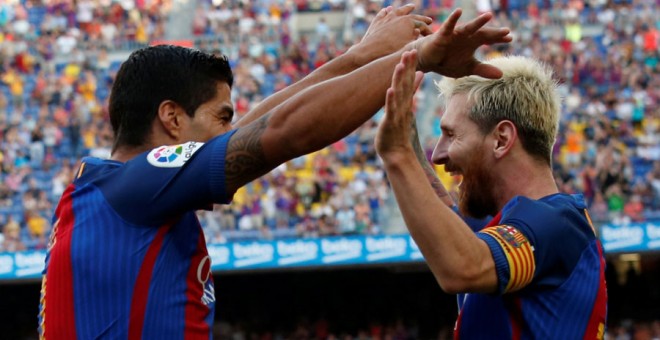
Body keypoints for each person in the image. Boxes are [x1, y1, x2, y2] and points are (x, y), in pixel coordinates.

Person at [38, 5, 512, 339]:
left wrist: (358, 59)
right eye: (221, 117)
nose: (231, 129)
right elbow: (280, 132)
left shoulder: (119, 190)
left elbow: (257, 127)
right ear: (172, 119)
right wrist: (419, 59)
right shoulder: (139, 184)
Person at [375, 55, 607, 338]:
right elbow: (447, 223)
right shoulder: (512, 224)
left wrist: (398, 155)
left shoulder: (558, 224)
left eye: (451, 134)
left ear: (501, 139)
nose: (437, 155)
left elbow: (463, 266)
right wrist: (407, 145)